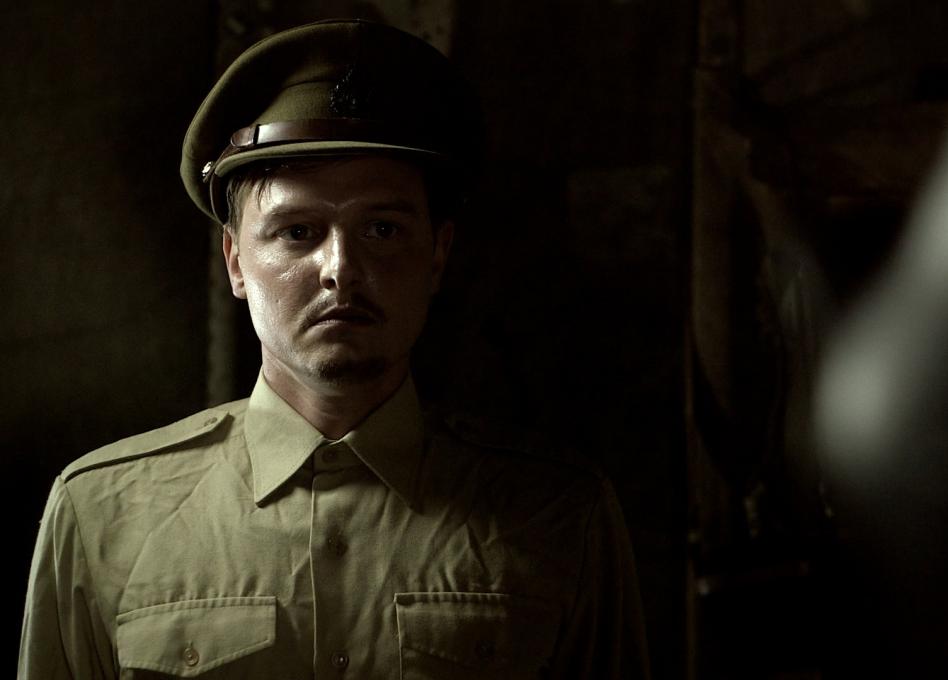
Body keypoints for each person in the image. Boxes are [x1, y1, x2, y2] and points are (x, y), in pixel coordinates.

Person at [18, 19, 650, 679]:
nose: (340, 269)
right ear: (235, 262)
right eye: (297, 231)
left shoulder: (561, 516)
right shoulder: (100, 514)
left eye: (381, 227)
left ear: (437, 255)